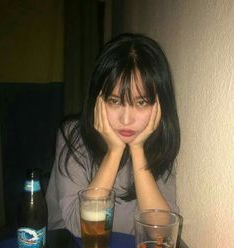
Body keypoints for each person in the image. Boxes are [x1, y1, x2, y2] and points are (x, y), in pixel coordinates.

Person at [45, 33, 180, 236]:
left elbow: (161, 234)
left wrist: (137, 150)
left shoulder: (159, 143)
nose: (126, 120)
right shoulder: (73, 134)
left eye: (141, 102)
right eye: (115, 101)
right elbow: (80, 226)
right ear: (98, 100)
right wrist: (114, 152)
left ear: (159, 105)